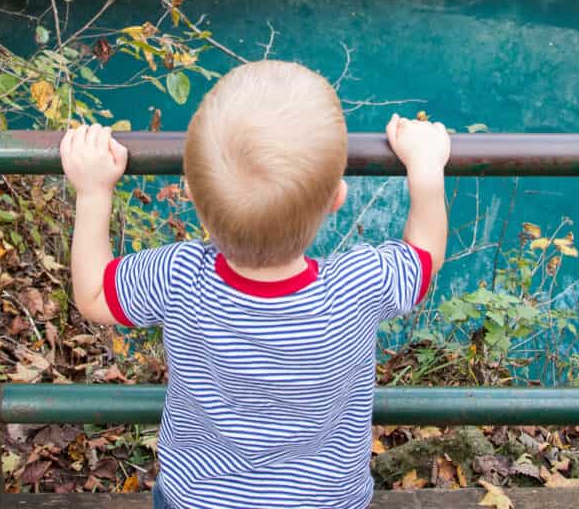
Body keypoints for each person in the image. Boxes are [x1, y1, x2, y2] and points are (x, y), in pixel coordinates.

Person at [61, 60, 450, 509]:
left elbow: (93, 294)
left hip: (199, 499)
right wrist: (425, 169)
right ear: (337, 200)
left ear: (191, 196)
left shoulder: (178, 276)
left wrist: (93, 193)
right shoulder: (357, 287)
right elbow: (424, 255)